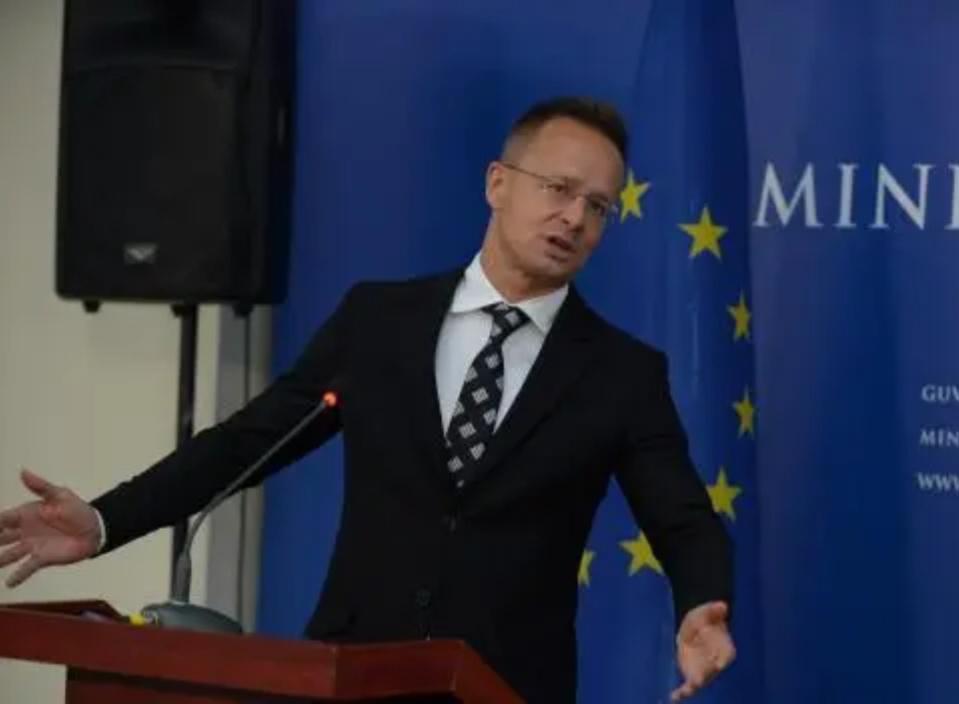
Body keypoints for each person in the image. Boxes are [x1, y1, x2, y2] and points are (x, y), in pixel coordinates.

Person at [0, 97, 735, 702]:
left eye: (599, 206)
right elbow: (246, 443)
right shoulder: (379, 321)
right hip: (351, 672)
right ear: (498, 184)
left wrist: (700, 603)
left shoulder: (621, 373)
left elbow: (683, 519)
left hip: (506, 685)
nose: (575, 218)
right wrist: (105, 520)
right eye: (559, 189)